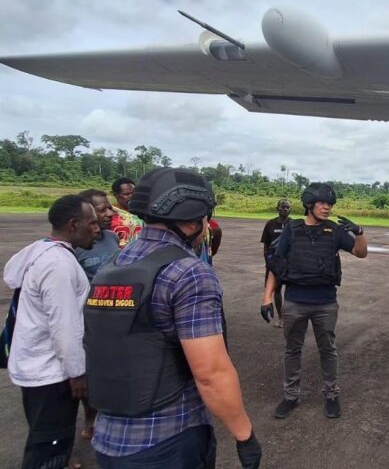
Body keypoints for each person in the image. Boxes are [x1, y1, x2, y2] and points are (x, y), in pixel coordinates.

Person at [85, 168, 262, 468]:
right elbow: (211, 373)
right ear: (193, 221)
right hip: (168, 441)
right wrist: (244, 434)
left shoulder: (113, 264)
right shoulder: (190, 272)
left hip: (109, 439)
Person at [3, 195, 100, 469]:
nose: (97, 229)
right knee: (49, 449)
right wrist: (76, 372)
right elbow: (64, 325)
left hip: (35, 367)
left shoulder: (41, 251)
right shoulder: (59, 266)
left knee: (45, 437)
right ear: (72, 225)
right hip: (51, 373)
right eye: (91, 223)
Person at [261, 183, 367, 420]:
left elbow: (361, 253)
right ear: (309, 204)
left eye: (329, 204)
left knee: (328, 350)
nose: (326, 207)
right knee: (292, 350)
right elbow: (276, 265)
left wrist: (359, 232)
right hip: (295, 301)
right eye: (321, 203)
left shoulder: (335, 231)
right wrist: (267, 297)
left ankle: (331, 394)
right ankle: (290, 396)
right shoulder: (292, 229)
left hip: (325, 303)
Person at [74, 189, 120, 440]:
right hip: (87, 321)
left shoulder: (112, 238)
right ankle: (90, 418)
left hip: (114, 318)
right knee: (86, 374)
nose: (109, 213)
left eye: (109, 208)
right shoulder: (74, 247)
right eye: (102, 210)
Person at [260, 199, 291, 328]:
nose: (285, 209)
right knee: (276, 290)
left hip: (290, 262)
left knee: (291, 291)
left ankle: (290, 317)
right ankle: (281, 318)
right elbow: (266, 245)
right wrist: (268, 262)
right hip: (274, 263)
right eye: (283, 207)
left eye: (288, 207)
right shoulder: (270, 224)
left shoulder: (294, 224)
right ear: (277, 208)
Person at [110, 177, 144, 249]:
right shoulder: (110, 214)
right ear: (116, 195)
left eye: (134, 193)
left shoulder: (143, 212)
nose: (132, 196)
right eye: (127, 194)